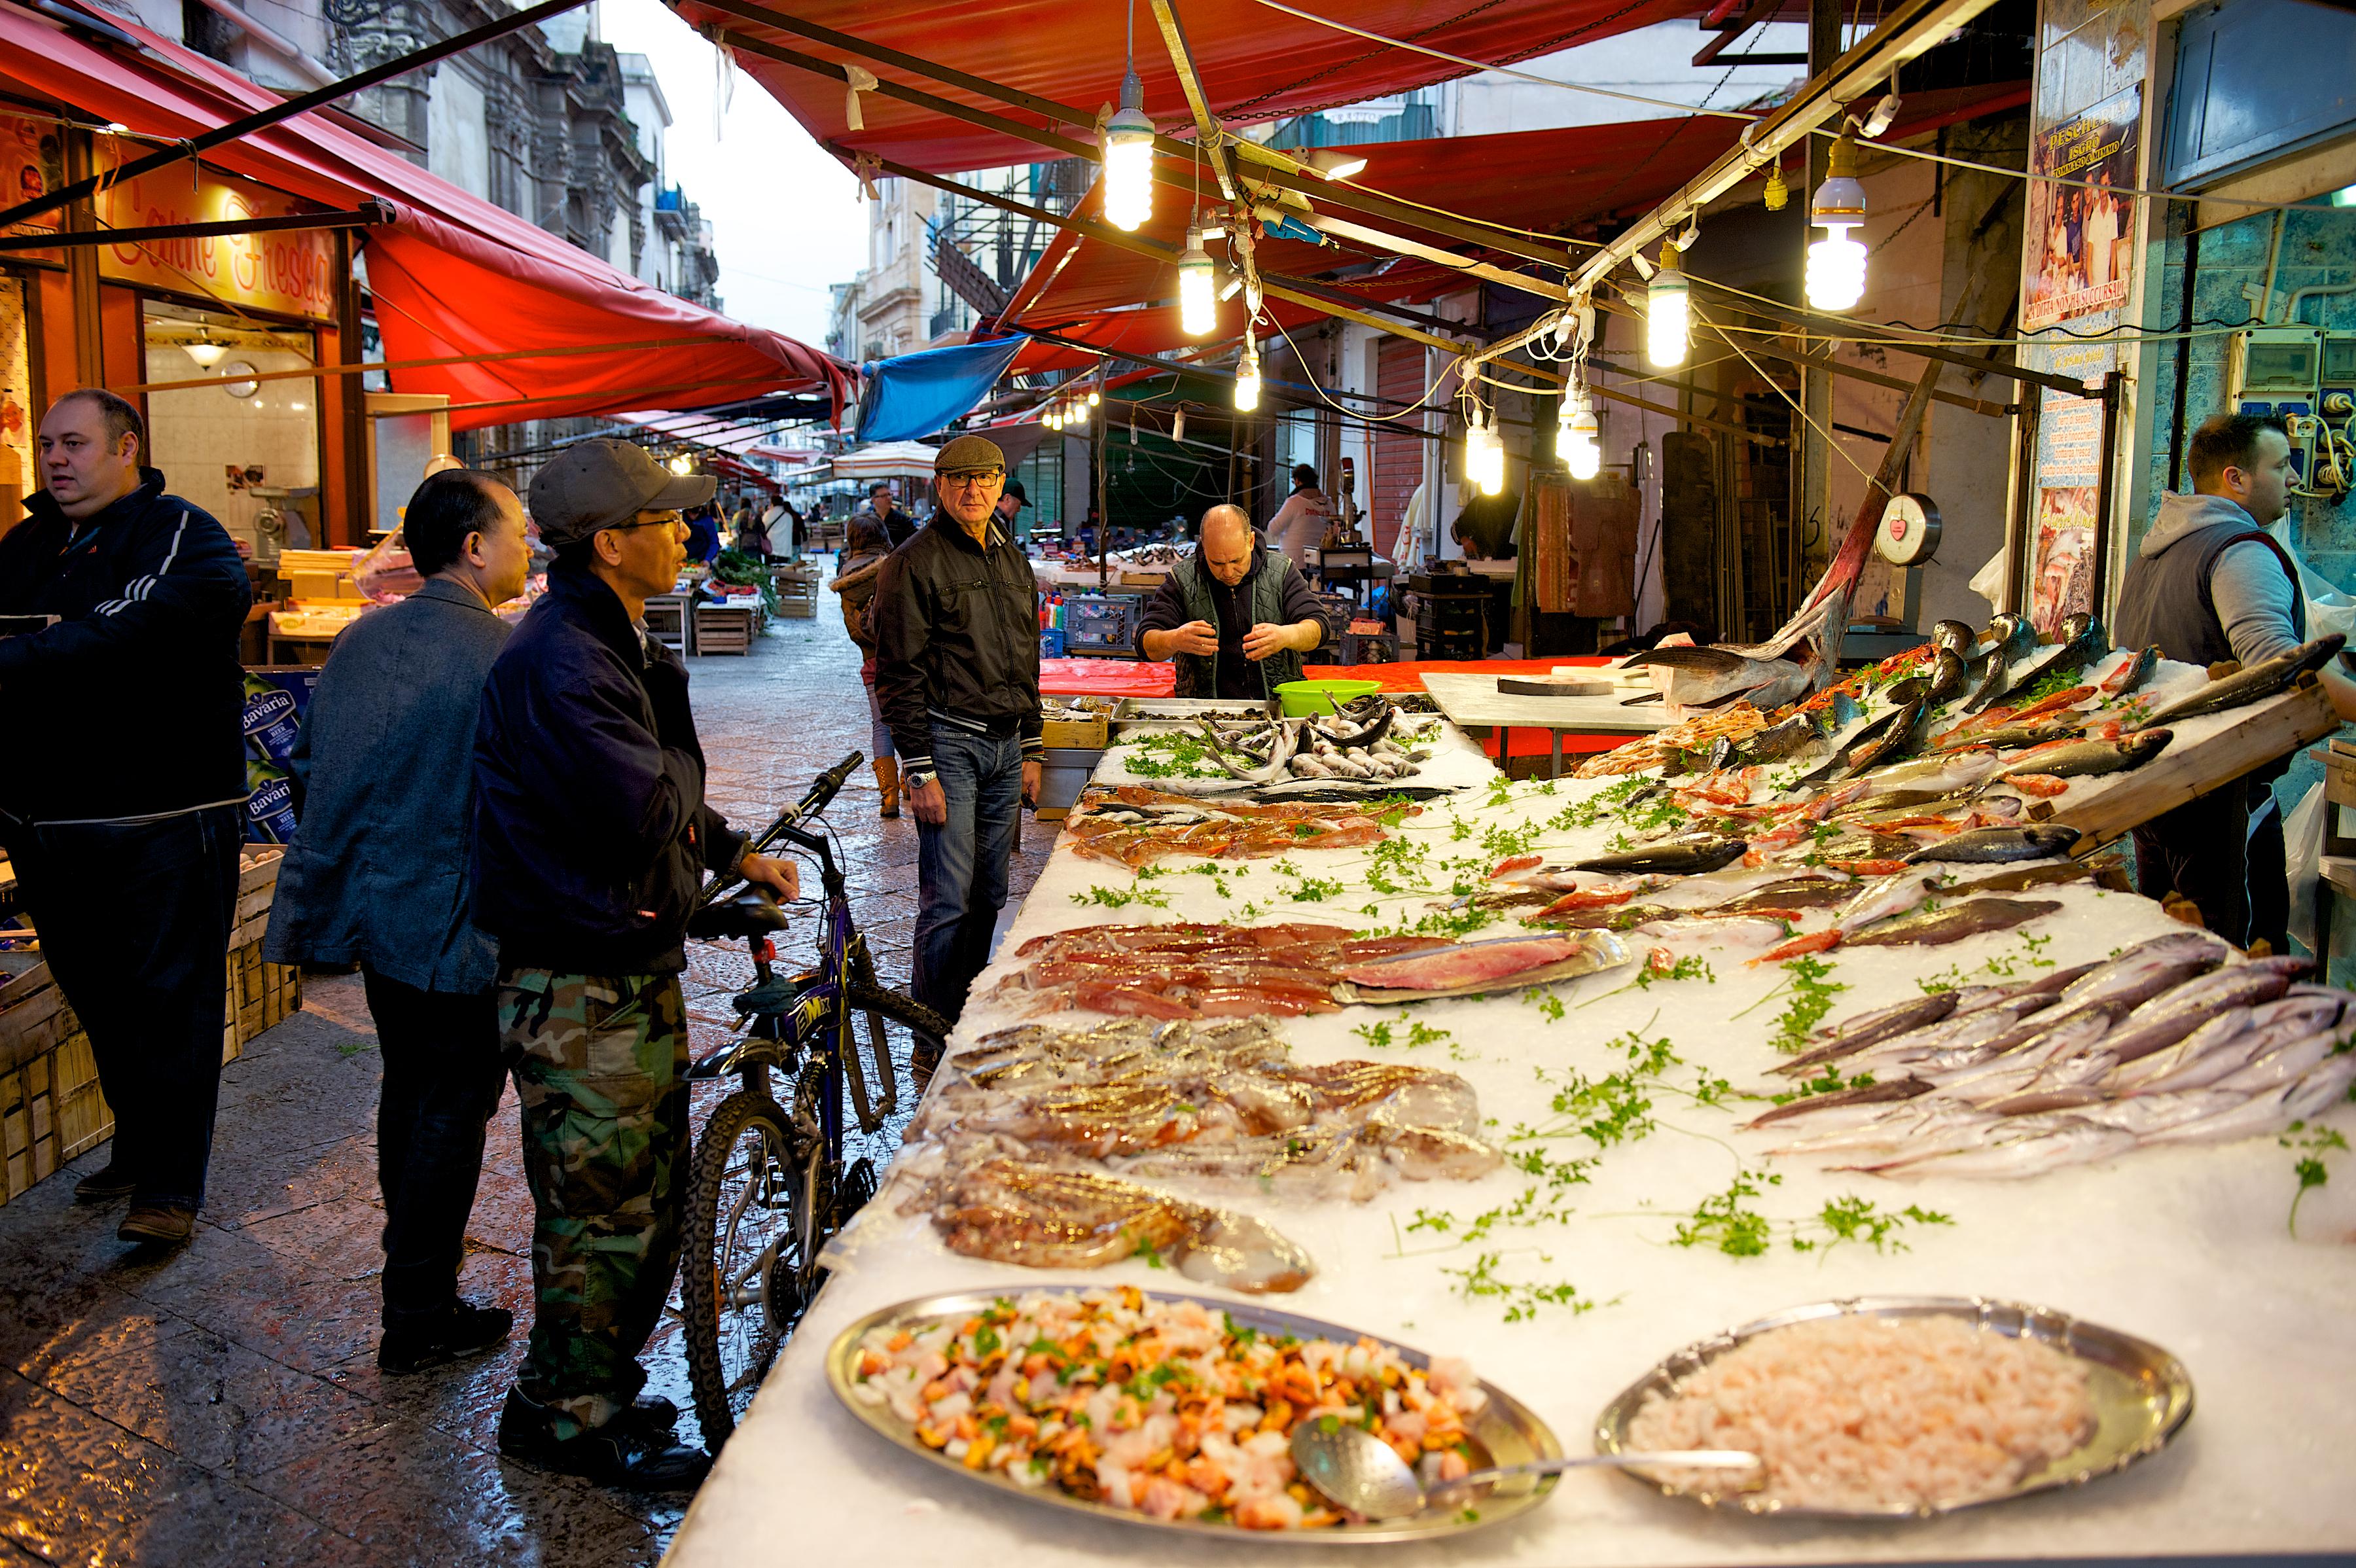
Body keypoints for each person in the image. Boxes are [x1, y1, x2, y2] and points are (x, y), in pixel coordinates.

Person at [471, 437, 800, 1488]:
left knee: (642, 1199)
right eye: (663, 521)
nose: (684, 534)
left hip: (619, 958)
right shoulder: (569, 660)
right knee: (600, 1211)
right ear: (610, 545)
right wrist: (673, 717)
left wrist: (734, 843)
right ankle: (564, 1418)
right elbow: (644, 805)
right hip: (577, 982)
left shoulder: (603, 638)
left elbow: (666, 801)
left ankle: (594, 1385)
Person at [262, 469, 530, 1370]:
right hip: (456, 918)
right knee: (452, 1106)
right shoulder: (500, 653)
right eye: (519, 532)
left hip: (376, 912)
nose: (527, 550)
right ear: (475, 547)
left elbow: (304, 766)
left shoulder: (360, 643)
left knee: (408, 1090)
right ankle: (417, 1309)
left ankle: (415, 1285)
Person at [0, 390, 251, 1247]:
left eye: (74, 443)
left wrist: (28, 655)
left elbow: (130, 635)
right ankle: (139, 1143)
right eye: (46, 446)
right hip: (49, 827)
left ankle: (171, 1189)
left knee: (172, 1001)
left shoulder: (183, 533)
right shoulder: (26, 546)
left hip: (166, 821)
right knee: (101, 1001)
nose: (56, 460)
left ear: (126, 448)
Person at [2117, 412, 2356, 950]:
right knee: (2239, 968)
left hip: (2159, 796)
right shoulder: (2239, 550)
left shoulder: (2156, 553)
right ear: (2236, 479)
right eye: (2281, 465)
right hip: (2221, 802)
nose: (2294, 478)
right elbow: (2284, 668)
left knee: (2177, 961)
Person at [872, 437, 1042, 1027]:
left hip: (1002, 746)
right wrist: (918, 769)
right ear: (939, 487)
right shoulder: (913, 562)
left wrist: (1033, 745)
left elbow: (1027, 655)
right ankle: (931, 1025)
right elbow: (897, 674)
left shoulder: (1010, 557)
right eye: (960, 479)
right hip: (949, 745)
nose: (974, 490)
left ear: (1000, 484)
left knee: (990, 893)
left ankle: (963, 1015)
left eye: (986, 478)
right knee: (947, 899)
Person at [1137, 504, 1330, 699]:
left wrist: (1286, 636)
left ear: (1251, 542)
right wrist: (1174, 639)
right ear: (1204, 546)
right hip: (1204, 712)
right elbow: (1145, 642)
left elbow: (1319, 627)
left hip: (1276, 706)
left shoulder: (1281, 571)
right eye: (1217, 563)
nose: (1228, 573)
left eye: (1237, 561)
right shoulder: (1182, 578)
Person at [830, 510, 904, 817]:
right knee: (915, 724)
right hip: (905, 661)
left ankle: (889, 798)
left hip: (871, 663)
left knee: (881, 726)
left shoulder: (846, 577)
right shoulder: (893, 567)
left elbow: (855, 629)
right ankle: (913, 782)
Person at [1265, 464, 1332, 570]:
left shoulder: (1294, 502)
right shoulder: (1329, 504)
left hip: (1295, 561)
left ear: (1297, 481)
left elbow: (1273, 529)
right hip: (1321, 561)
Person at [855, 481, 916, 549]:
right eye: (884, 496)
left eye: (889, 494)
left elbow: (916, 540)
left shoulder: (903, 519)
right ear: (873, 499)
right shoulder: (867, 520)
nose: (888, 498)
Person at [995, 477, 1031, 541]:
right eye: (1019, 505)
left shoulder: (1000, 520)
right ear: (1007, 499)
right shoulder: (996, 523)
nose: (1019, 510)